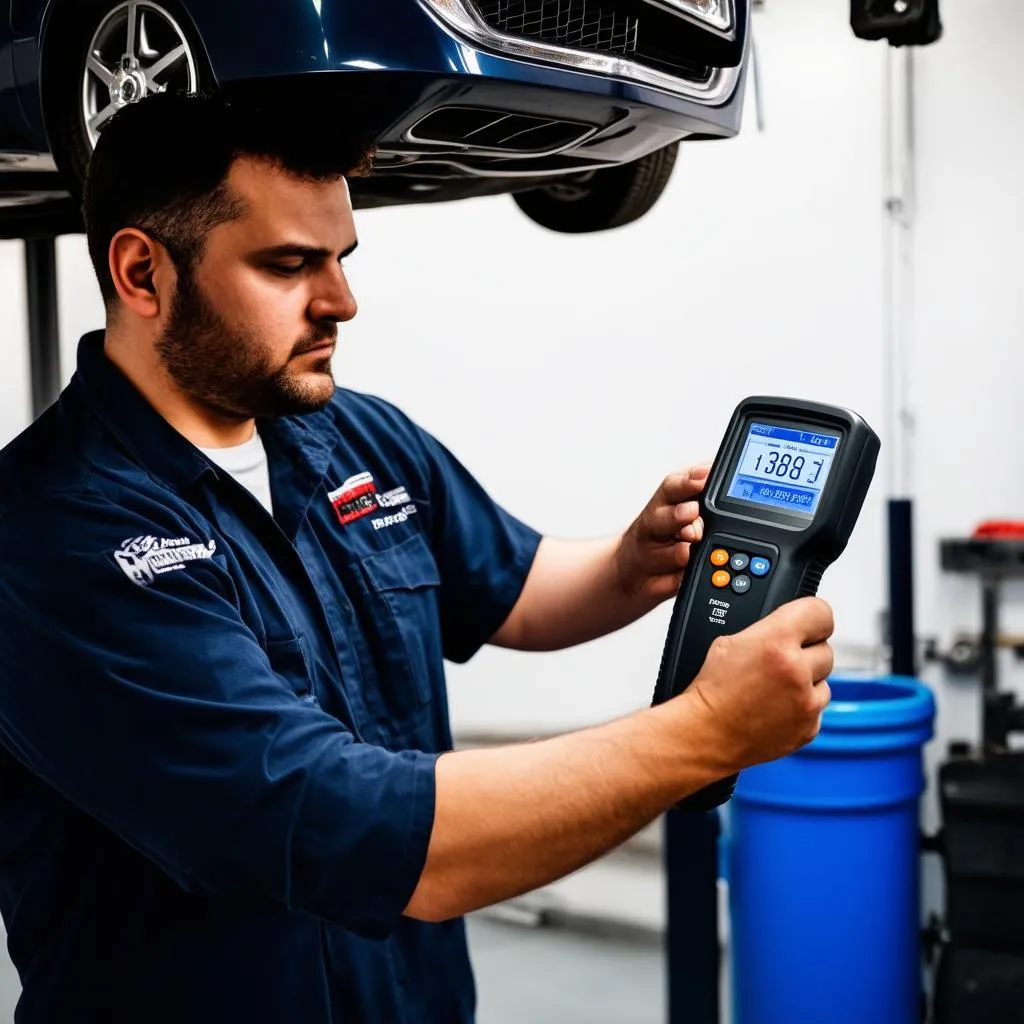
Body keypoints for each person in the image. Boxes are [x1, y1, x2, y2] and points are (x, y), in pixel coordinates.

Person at [0, 91, 834, 1023]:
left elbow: (515, 589)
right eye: (288, 266)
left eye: (343, 260)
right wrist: (705, 734)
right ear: (142, 273)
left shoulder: (349, 435)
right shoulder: (53, 539)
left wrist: (631, 564)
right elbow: (363, 835)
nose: (342, 303)